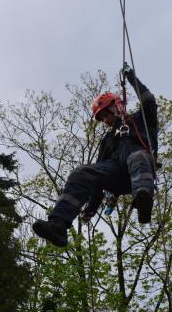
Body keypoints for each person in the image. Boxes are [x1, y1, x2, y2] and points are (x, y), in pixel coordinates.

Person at [33, 64, 158, 247]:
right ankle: (58, 225)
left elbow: (148, 101)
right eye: (102, 118)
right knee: (81, 172)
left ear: (117, 106)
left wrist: (131, 77)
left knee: (137, 156)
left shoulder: (141, 120)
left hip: (140, 170)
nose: (106, 120)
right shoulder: (107, 141)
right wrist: (91, 209)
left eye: (106, 114)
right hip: (118, 176)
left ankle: (143, 200)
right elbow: (98, 178)